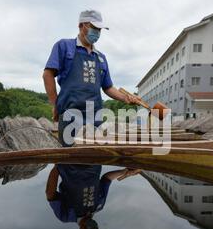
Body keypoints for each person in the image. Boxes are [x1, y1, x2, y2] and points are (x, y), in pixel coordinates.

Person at [43, 9, 141, 146]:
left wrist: (125, 98)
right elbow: (48, 74)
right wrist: (55, 105)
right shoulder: (64, 46)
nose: (97, 33)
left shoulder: (100, 58)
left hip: (95, 117)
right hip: (70, 115)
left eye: (99, 30)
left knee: (94, 159)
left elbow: (108, 87)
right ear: (81, 25)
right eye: (94, 28)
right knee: (70, 160)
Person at [45, 164, 141, 229]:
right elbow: (107, 178)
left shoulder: (66, 216)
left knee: (70, 142)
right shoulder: (99, 206)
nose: (94, 227)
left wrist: (57, 168)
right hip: (94, 162)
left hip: (70, 164)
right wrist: (124, 171)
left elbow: (50, 194)